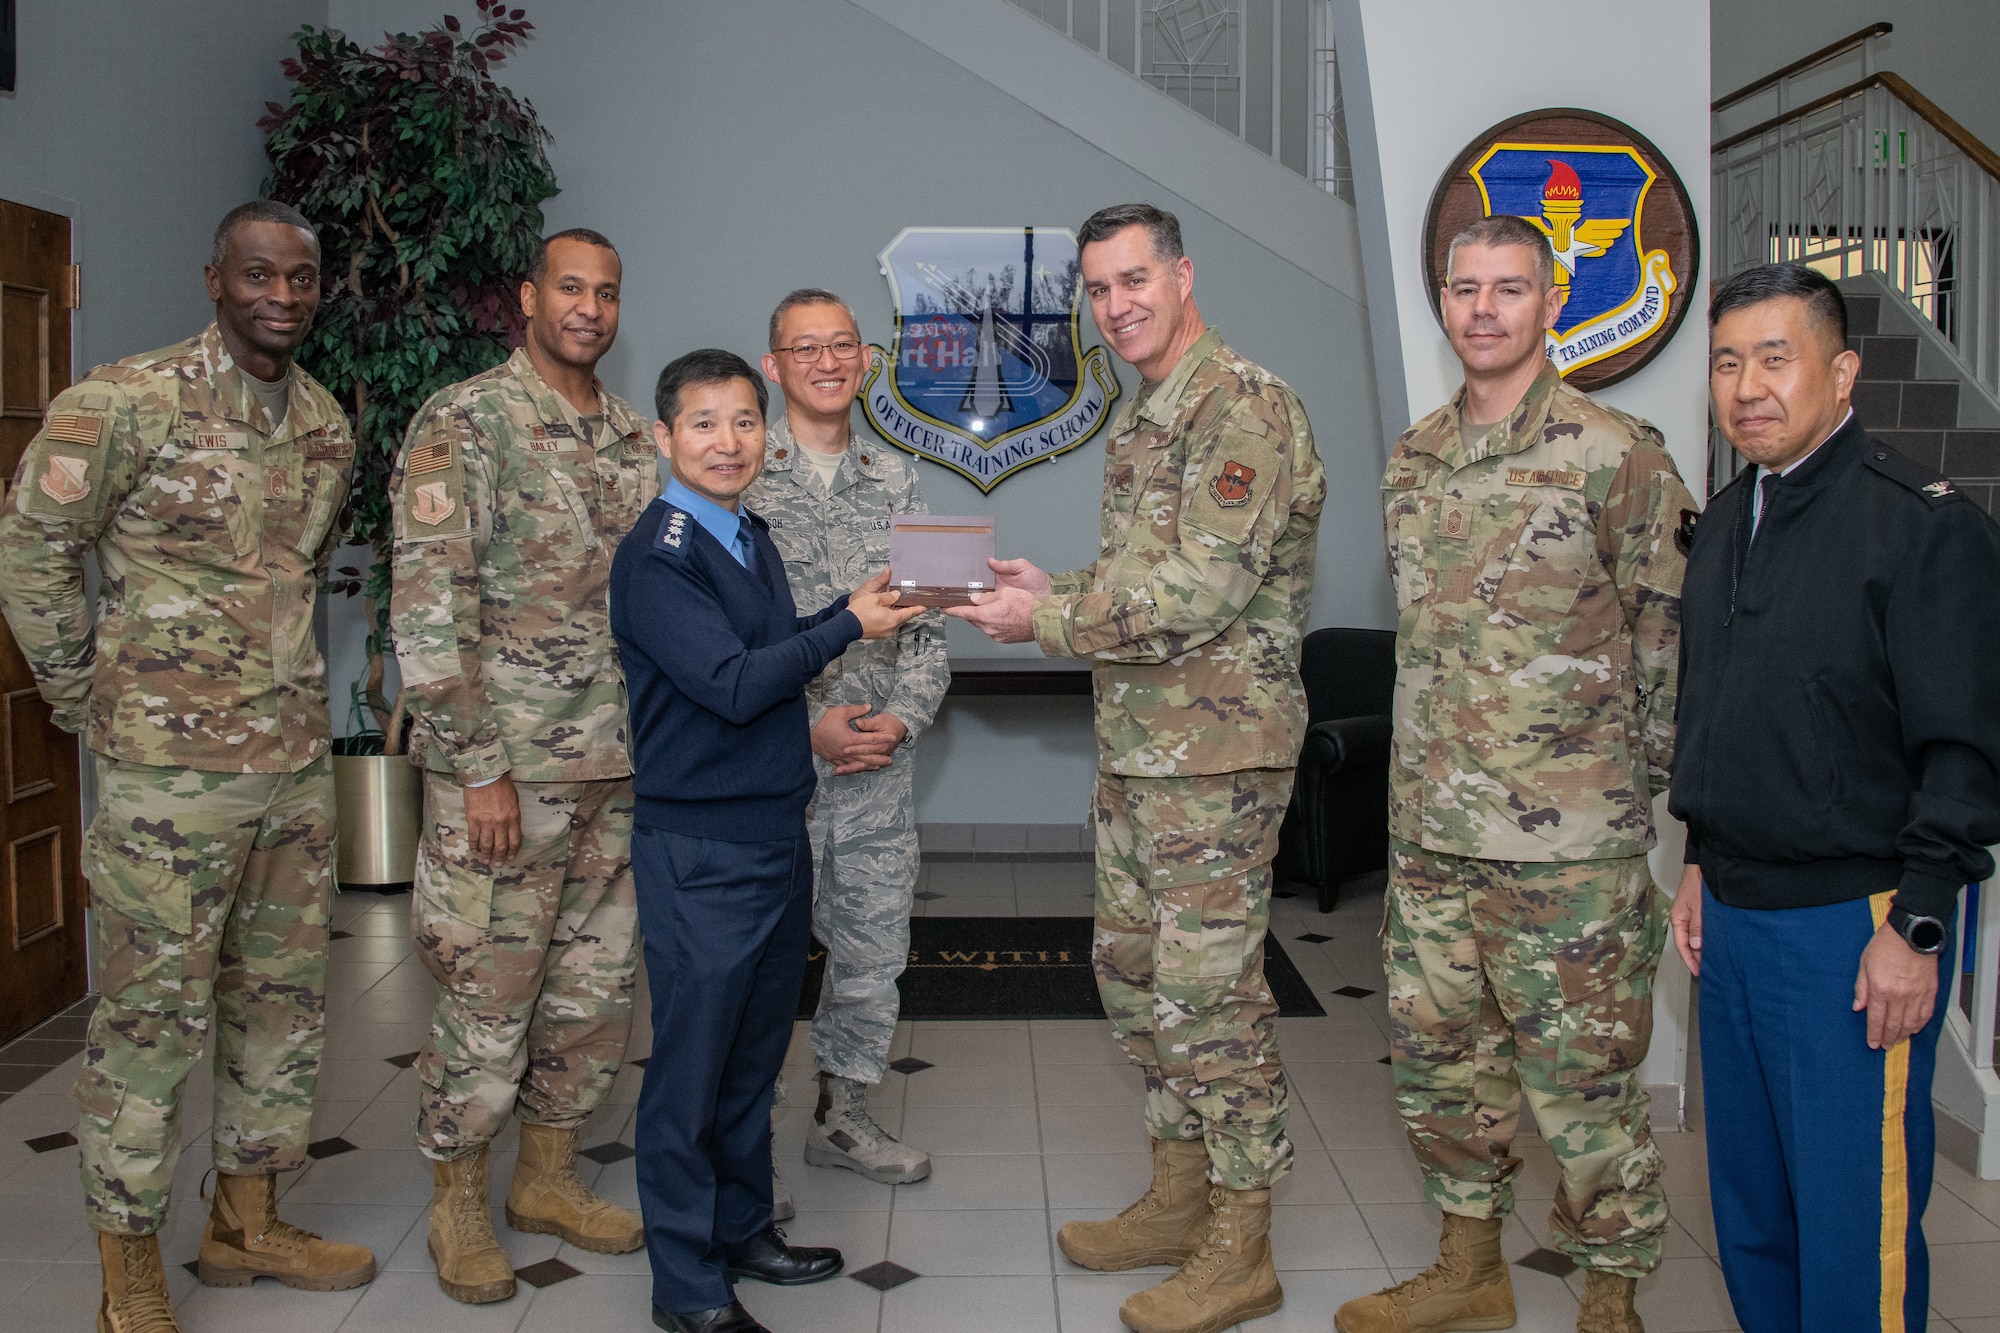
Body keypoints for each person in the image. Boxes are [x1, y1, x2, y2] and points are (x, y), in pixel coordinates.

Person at [0, 200, 377, 1333]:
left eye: (302, 278)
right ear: (213, 278)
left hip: (291, 770)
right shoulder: (124, 401)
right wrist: (83, 695)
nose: (282, 296)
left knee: (280, 1006)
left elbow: (294, 575)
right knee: (150, 1024)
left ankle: (246, 1224)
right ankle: (127, 1275)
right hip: (169, 779)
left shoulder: (322, 423)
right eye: (259, 274)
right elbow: (32, 548)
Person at [948, 202, 1323, 1333]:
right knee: (1131, 976)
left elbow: (1194, 597)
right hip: (1142, 754)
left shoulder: (1242, 404)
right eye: (1099, 290)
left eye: (1133, 280)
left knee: (1210, 1002)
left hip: (1216, 763)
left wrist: (1045, 613)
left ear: (1181, 274)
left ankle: (1240, 1240)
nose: (1116, 307)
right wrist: (1050, 582)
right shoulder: (1148, 416)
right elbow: (1147, 586)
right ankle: (1177, 1196)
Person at [1335, 214, 1693, 1333]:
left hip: (1567, 852)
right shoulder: (1413, 455)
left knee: (1580, 1088)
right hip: (1434, 834)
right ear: (1441, 303)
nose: (1481, 307)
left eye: (1506, 287)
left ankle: (1610, 1295)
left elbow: (1666, 643)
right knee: (1443, 1069)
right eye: (1461, 287)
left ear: (1549, 303)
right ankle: (1469, 1266)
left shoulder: (1614, 451)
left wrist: (1626, 799)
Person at [1669, 262, 2000, 1333]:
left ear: (1840, 370)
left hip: (1847, 932)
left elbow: (1961, 748)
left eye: (1775, 357)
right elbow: (1713, 713)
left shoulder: (1919, 525)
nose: (1746, 385)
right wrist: (1692, 860)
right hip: (1728, 912)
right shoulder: (1722, 521)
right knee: (1751, 1213)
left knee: (1851, 1222)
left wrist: (1915, 922)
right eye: (1727, 362)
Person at [612, 349, 923, 1333]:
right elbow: (737, 683)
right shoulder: (657, 554)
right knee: (689, 1072)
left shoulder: (746, 534)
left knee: (752, 1060)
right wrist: (846, 630)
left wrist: (848, 609)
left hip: (770, 834)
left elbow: (768, 645)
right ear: (663, 438)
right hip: (700, 847)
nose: (727, 441)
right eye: (703, 423)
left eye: (745, 421)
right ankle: (687, 1281)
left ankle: (745, 1228)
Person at [389, 228, 657, 1303]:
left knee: (591, 999)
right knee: (486, 999)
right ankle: (458, 1198)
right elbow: (428, 609)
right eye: (570, 288)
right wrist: (478, 769)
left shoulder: (635, 438)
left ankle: (546, 1178)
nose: (589, 307)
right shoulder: (467, 421)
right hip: (504, 777)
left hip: (616, 769)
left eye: (607, 290)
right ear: (528, 298)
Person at [744, 288, 949, 1197]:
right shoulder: (736, 475)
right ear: (772, 364)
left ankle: (842, 1116)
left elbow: (931, 631)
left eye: (842, 347)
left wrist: (902, 718)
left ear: (865, 362)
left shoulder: (901, 479)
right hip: (766, 771)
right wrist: (804, 725)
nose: (826, 363)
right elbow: (716, 648)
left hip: (874, 771)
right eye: (805, 348)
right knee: (751, 963)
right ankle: (738, 1147)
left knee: (870, 953)